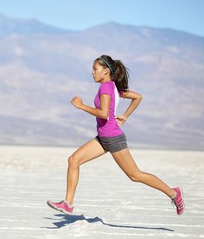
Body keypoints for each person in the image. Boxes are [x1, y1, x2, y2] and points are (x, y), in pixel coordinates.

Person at [47, 55, 185, 216]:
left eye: (95, 69)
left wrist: (81, 106)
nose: (92, 73)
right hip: (103, 138)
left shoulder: (106, 87)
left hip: (112, 137)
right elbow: (137, 97)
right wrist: (125, 116)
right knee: (73, 160)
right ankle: (68, 204)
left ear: (105, 71)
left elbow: (104, 114)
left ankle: (174, 193)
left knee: (135, 175)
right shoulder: (112, 87)